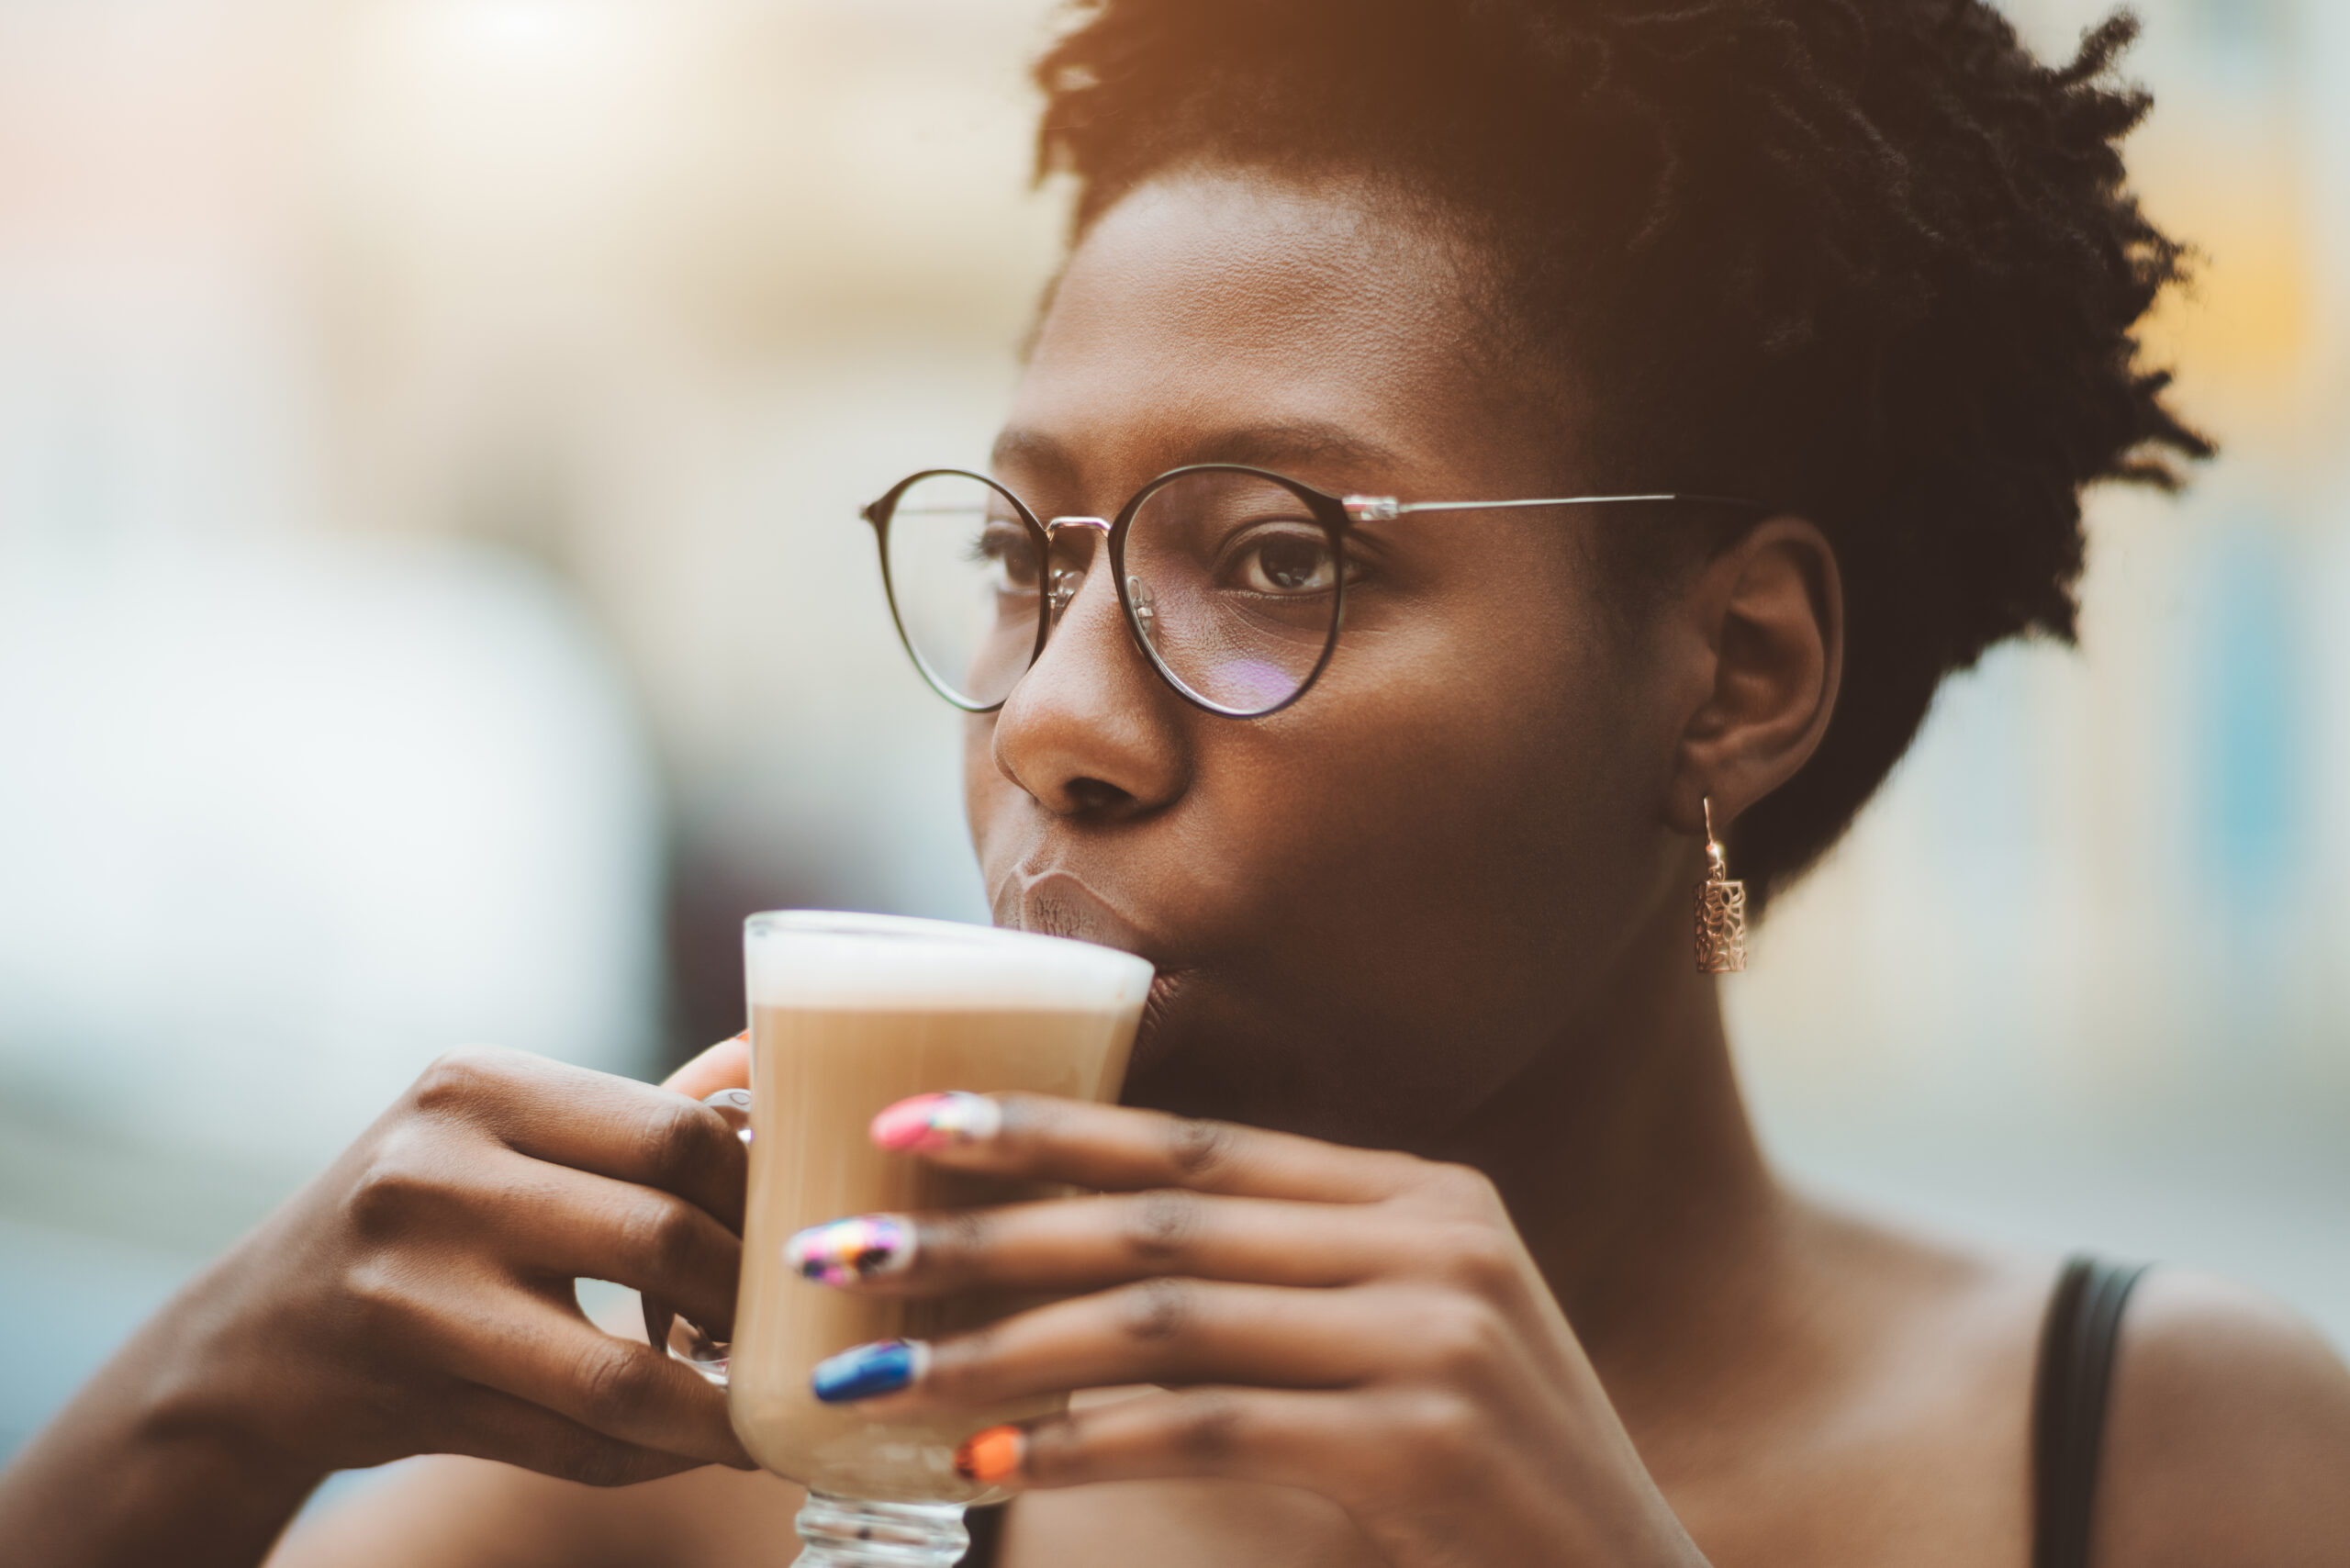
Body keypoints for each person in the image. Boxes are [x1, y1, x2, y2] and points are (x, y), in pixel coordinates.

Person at [6, 0, 2348, 1563]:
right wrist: (205, 1413)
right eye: (1027, 559)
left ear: (1732, 672)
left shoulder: (2171, 1460)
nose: (1046, 724)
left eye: (1273, 558)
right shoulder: (735, 1468)